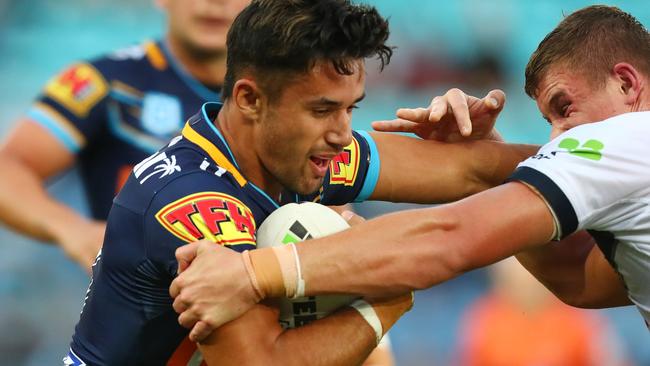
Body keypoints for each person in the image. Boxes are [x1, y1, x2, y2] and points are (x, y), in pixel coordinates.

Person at [64, 0, 539, 364]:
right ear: (250, 99)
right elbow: (261, 361)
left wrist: (593, 156)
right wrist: (389, 291)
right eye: (322, 110)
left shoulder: (296, 154)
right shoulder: (195, 204)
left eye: (350, 107)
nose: (341, 134)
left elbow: (474, 171)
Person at [169, 4, 650, 342]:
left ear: (626, 82)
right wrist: (487, 164)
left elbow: (449, 236)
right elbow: (578, 281)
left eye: (564, 109)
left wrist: (253, 273)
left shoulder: (631, 138)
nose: (557, 138)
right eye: (550, 122)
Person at [0, 0, 250, 271]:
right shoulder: (106, 82)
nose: (215, 2)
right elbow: (9, 166)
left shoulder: (292, 92)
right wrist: (72, 229)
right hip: (139, 305)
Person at [455, 257, 626, 366]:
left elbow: (609, 359)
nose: (523, 289)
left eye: (528, 281)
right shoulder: (484, 319)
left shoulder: (580, 317)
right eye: (514, 282)